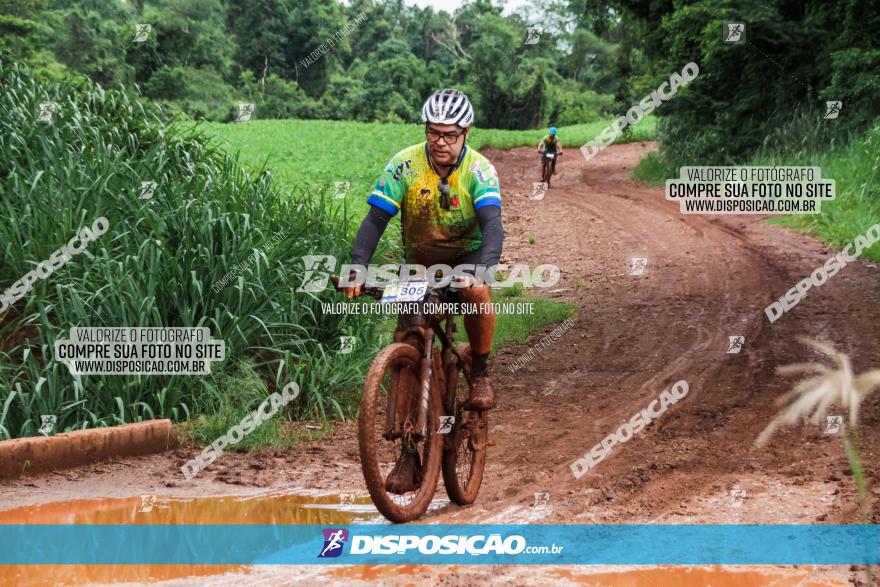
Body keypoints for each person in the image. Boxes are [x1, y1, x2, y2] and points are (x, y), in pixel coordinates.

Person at [342, 88, 504, 493]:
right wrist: (358, 267)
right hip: (420, 262)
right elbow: (375, 221)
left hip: (466, 258)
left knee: (477, 294)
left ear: (465, 132)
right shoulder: (405, 165)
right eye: (434, 133)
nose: (441, 142)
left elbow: (493, 228)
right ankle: (408, 453)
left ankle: (480, 372)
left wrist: (481, 271)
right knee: (408, 335)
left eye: (450, 134)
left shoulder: (479, 172)